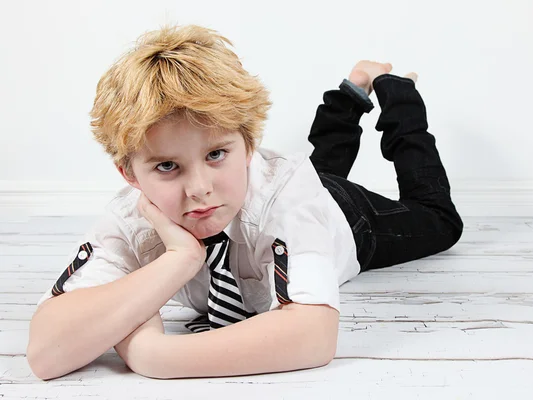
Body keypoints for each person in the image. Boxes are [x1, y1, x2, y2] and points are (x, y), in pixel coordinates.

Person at [26, 24, 463, 380]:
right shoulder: (128, 219)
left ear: (249, 145)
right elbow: (46, 355)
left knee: (440, 221)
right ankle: (352, 89)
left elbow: (312, 334)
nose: (199, 189)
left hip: (346, 217)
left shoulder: (288, 190)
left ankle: (394, 89)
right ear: (129, 174)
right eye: (166, 167)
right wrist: (178, 258)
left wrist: (155, 355)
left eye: (216, 154)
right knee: (320, 166)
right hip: (288, 191)